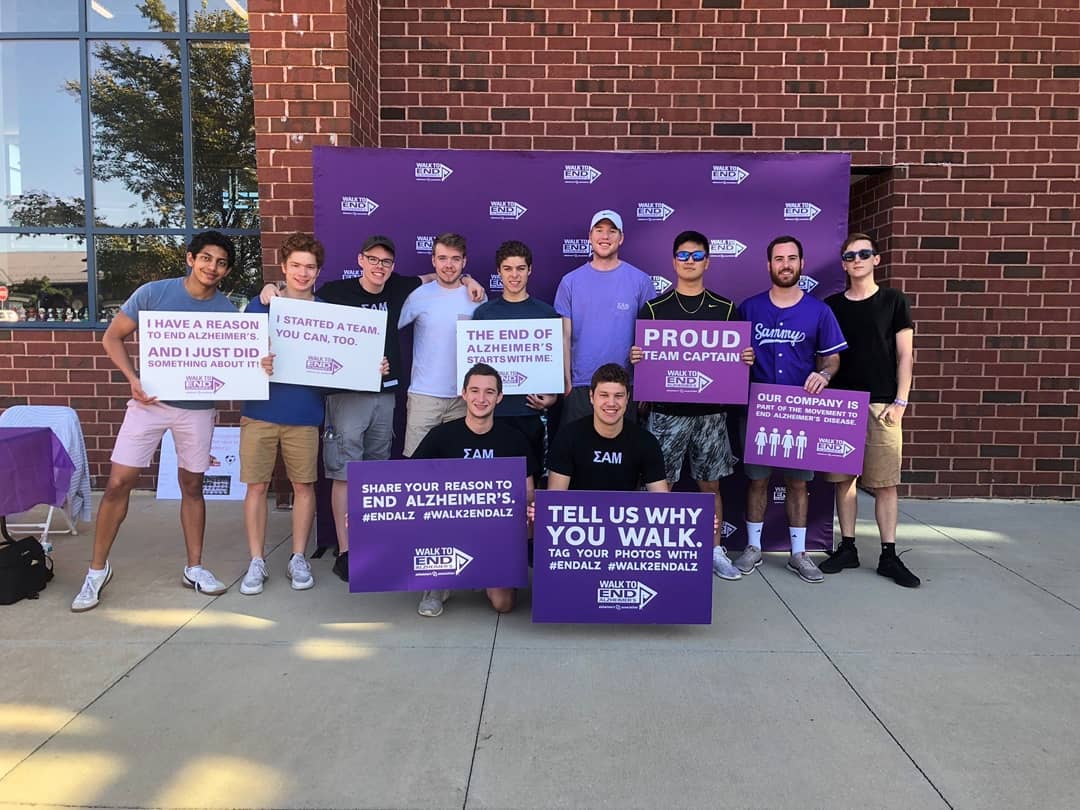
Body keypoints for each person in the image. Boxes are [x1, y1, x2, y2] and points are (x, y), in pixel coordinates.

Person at [259, 235, 483, 583]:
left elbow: (435, 277)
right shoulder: (335, 291)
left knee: (376, 476)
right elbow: (300, 303)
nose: (379, 267)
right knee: (344, 473)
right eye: (373, 260)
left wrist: (469, 280)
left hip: (385, 395)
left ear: (393, 266)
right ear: (360, 260)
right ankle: (346, 551)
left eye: (386, 262)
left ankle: (373, 545)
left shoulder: (400, 289)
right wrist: (272, 288)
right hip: (346, 396)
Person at [72, 231, 265, 612]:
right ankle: (96, 570)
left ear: (227, 270)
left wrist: (259, 364)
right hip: (149, 403)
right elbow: (112, 338)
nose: (212, 267)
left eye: (221, 263)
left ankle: (194, 567)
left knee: (193, 485)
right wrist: (133, 379)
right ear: (191, 258)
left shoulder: (227, 311)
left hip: (198, 408)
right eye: (206, 258)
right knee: (118, 482)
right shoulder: (154, 293)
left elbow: (237, 363)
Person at [630, 230, 755, 580]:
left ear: (707, 262)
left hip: (711, 415)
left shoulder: (726, 309)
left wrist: (744, 357)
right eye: (683, 255)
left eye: (697, 255)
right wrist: (637, 357)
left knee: (710, 487)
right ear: (673, 262)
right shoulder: (654, 309)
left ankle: (714, 550)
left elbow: (736, 360)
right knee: (660, 487)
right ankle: (656, 550)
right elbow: (643, 360)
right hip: (666, 414)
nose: (690, 261)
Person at [734, 235, 848, 584]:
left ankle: (799, 553)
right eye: (779, 258)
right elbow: (729, 357)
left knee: (798, 484)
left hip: (800, 410)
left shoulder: (819, 311)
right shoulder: (749, 308)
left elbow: (832, 357)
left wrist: (824, 374)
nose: (785, 264)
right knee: (757, 481)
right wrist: (740, 357)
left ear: (801, 263)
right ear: (768, 265)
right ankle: (753, 547)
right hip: (758, 408)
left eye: (792, 258)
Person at [238, 233, 341, 595]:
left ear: (318, 271)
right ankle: (256, 560)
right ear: (283, 267)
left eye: (309, 267)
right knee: (256, 486)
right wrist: (257, 362)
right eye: (295, 265)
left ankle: (298, 557)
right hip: (260, 410)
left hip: (304, 412)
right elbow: (240, 357)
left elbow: (341, 361)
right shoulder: (261, 304)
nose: (302, 272)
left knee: (303, 486)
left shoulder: (327, 313)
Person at [822, 233, 920, 587]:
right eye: (850, 256)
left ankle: (888, 555)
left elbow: (906, 355)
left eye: (864, 254)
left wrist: (901, 401)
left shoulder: (894, 301)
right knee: (843, 482)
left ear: (876, 259)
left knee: (885, 484)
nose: (857, 260)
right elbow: (827, 355)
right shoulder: (832, 306)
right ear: (843, 264)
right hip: (840, 405)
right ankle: (847, 547)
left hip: (882, 405)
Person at [411, 363, 537, 617]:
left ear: (499, 397)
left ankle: (483, 571)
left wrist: (527, 520)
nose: (481, 399)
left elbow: (528, 493)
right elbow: (407, 485)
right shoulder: (441, 436)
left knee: (503, 604)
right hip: (448, 529)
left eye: (489, 392)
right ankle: (437, 583)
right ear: (464, 394)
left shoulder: (514, 439)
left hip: (494, 533)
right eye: (475, 391)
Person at [554, 210, 655, 424]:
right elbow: (563, 336)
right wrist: (566, 380)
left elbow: (649, 338)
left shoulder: (640, 281)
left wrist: (646, 385)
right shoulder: (570, 282)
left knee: (624, 444)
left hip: (624, 385)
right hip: (581, 384)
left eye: (612, 231)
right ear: (590, 237)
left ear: (621, 238)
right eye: (599, 230)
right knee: (578, 444)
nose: (605, 236)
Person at [472, 240, 560, 479]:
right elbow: (475, 368)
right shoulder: (484, 314)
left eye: (520, 268)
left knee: (530, 483)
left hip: (530, 414)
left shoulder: (546, 313)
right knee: (492, 480)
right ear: (499, 271)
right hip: (493, 414)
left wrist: (552, 397)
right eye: (508, 269)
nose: (514, 275)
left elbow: (552, 363)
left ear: (530, 270)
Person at [399, 233, 487, 458]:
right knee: (416, 465)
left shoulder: (477, 297)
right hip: (424, 397)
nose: (449, 265)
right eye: (442, 258)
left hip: (463, 399)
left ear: (464, 261)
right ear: (433, 260)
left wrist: (468, 281)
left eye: (455, 259)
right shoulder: (418, 295)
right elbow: (388, 331)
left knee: (458, 468)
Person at [547, 363, 668, 493]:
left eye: (618, 396)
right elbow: (555, 497)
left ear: (627, 398)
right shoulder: (568, 437)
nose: (611, 403)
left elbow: (662, 499)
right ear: (591, 397)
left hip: (625, 506)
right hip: (579, 507)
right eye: (604, 395)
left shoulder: (645, 441)